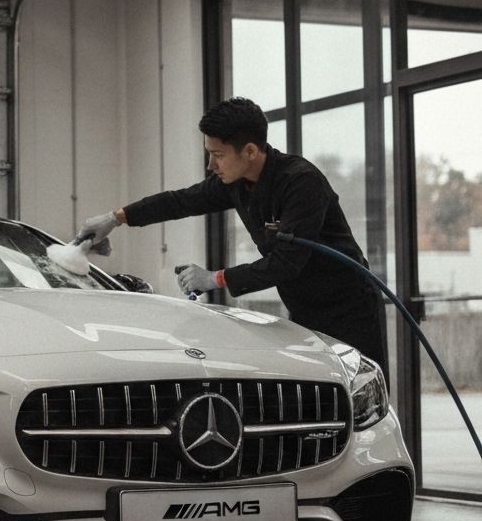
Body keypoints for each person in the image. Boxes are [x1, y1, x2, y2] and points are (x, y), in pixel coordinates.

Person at [76, 96, 389, 377]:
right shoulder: (235, 184)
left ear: (250, 151)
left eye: (218, 155)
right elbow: (180, 200)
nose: (211, 165)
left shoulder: (301, 183)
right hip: (305, 308)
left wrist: (215, 279)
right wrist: (114, 218)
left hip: (349, 310)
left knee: (363, 398)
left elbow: (286, 263)